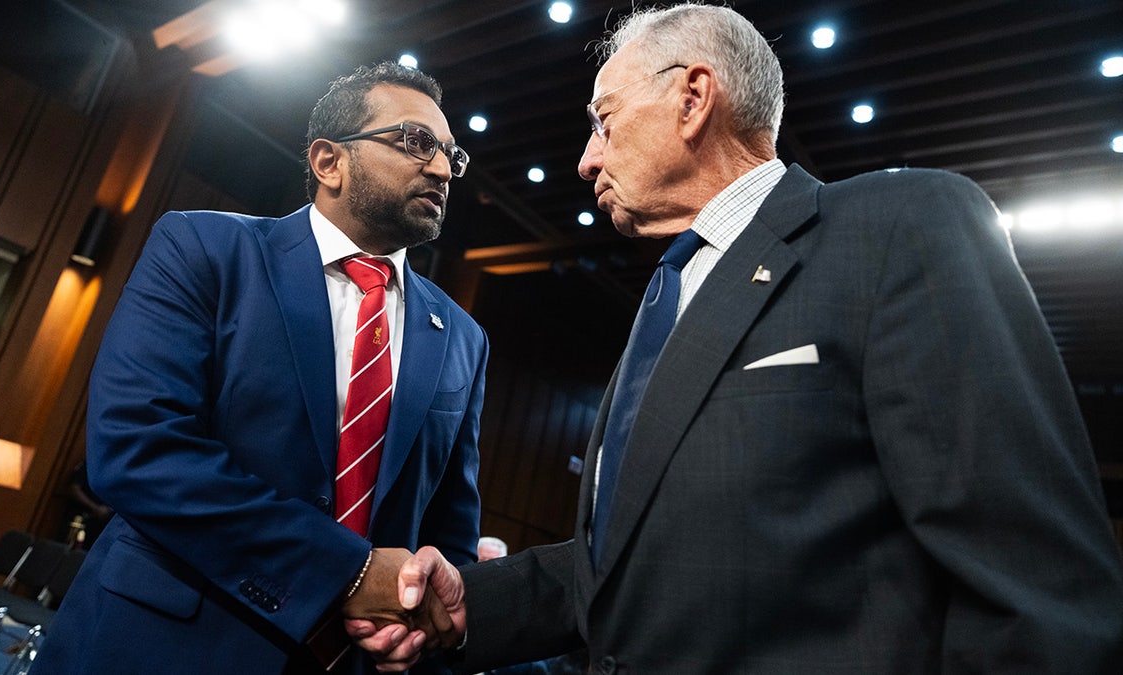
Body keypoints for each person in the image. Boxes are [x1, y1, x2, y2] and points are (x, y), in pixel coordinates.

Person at [349, 4, 1123, 673]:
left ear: (692, 97)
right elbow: (620, 564)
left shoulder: (899, 228)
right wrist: (466, 604)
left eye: (601, 121)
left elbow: (1033, 591)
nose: (587, 159)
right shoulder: (669, 295)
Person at [32, 62, 485, 674]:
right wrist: (344, 572)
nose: (438, 168)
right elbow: (138, 450)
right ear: (329, 162)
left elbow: (449, 529)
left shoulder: (463, 336)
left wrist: (426, 623)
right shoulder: (204, 250)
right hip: (160, 647)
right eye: (416, 142)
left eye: (451, 156)